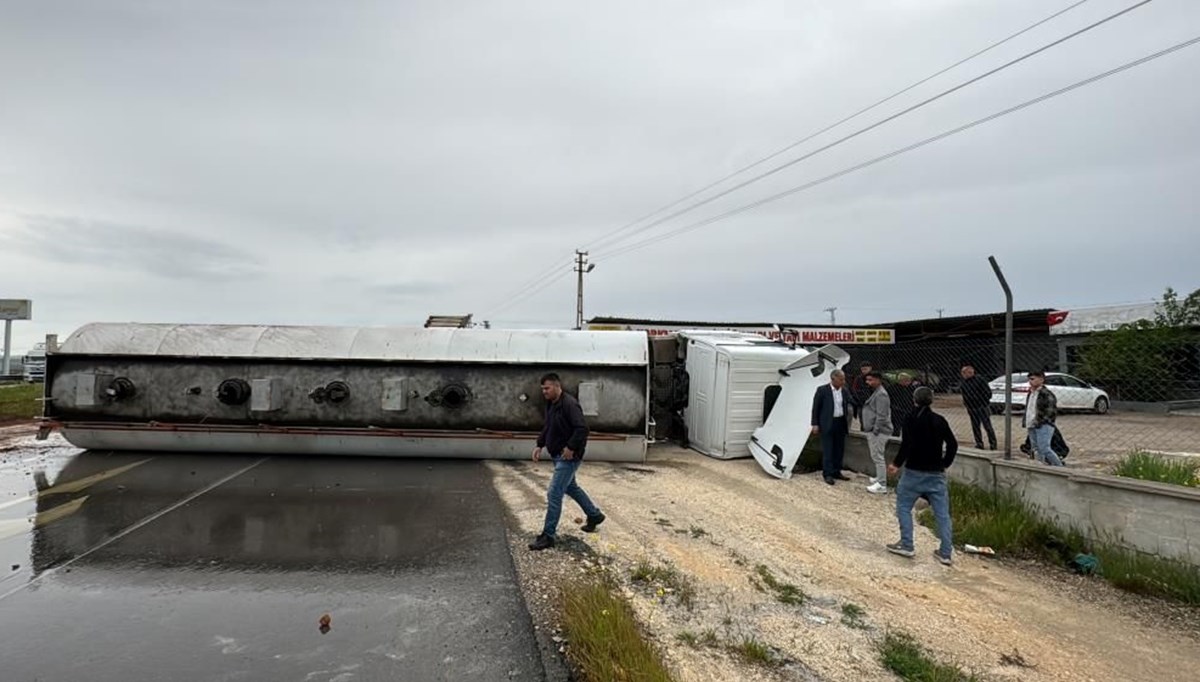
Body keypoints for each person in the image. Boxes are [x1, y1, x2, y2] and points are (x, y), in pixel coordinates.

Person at [528, 373, 605, 551]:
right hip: (557, 454)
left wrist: (570, 448)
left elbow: (582, 429)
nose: (544, 392)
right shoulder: (551, 403)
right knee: (571, 487)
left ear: (557, 386)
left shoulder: (570, 405)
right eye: (542, 389)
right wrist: (540, 444)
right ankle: (594, 515)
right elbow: (548, 425)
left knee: (554, 493)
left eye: (547, 388)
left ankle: (548, 535)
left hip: (568, 457)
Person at [887, 386, 957, 566]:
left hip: (913, 472)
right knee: (942, 514)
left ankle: (907, 544)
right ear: (932, 400)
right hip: (936, 473)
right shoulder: (940, 420)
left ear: (914, 400)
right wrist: (944, 463)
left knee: (903, 506)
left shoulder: (910, 419)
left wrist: (896, 464)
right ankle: (946, 552)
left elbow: (907, 444)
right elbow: (953, 444)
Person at [811, 369, 853, 485]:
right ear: (833, 378)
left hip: (840, 422)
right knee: (828, 449)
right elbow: (816, 408)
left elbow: (850, 402)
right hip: (827, 423)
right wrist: (815, 424)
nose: (843, 381)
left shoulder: (844, 391)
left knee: (839, 449)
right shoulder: (822, 390)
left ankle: (836, 471)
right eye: (841, 379)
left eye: (844, 379)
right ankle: (827, 473)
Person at [860, 371, 893, 494]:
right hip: (875, 430)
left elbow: (882, 415)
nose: (868, 382)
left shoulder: (881, 395)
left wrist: (875, 430)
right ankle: (879, 478)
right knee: (876, 456)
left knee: (878, 457)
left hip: (879, 432)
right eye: (867, 380)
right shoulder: (877, 392)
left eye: (871, 380)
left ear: (878, 380)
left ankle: (882, 484)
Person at [1024, 370, 1064, 467]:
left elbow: (1051, 411)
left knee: (1044, 448)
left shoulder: (1046, 393)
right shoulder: (1031, 393)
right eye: (1029, 379)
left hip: (1043, 424)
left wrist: (1041, 421)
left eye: (1033, 379)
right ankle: (1041, 466)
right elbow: (1029, 408)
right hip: (1032, 423)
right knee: (1036, 449)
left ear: (1041, 380)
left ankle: (1059, 466)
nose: (1030, 381)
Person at [959, 364, 997, 450]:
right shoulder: (963, 383)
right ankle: (979, 443)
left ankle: (993, 444)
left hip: (982, 406)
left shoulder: (980, 380)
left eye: (964, 373)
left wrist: (982, 402)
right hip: (972, 407)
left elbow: (987, 393)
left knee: (987, 426)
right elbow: (964, 395)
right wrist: (968, 405)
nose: (963, 375)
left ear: (970, 372)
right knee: (975, 427)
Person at [888, 373, 916, 437]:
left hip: (908, 410)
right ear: (901, 380)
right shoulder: (893, 388)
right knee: (896, 427)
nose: (909, 382)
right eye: (907, 380)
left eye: (909, 380)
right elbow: (889, 399)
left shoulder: (911, 388)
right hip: (897, 410)